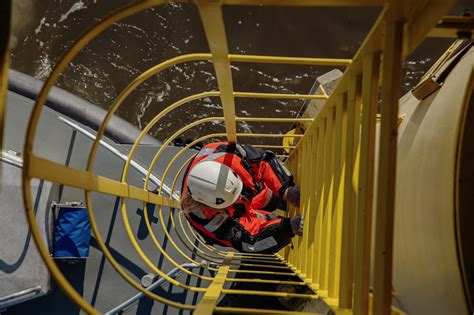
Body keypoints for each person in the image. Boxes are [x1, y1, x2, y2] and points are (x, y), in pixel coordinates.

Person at [180, 141, 303, 254]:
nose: (240, 198)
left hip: (250, 191)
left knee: (269, 197)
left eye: (237, 194)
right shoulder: (205, 217)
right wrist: (287, 228)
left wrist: (285, 189)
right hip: (235, 216)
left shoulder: (229, 156)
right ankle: (276, 220)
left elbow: (263, 161)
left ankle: (277, 202)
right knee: (270, 224)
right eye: (233, 199)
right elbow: (249, 241)